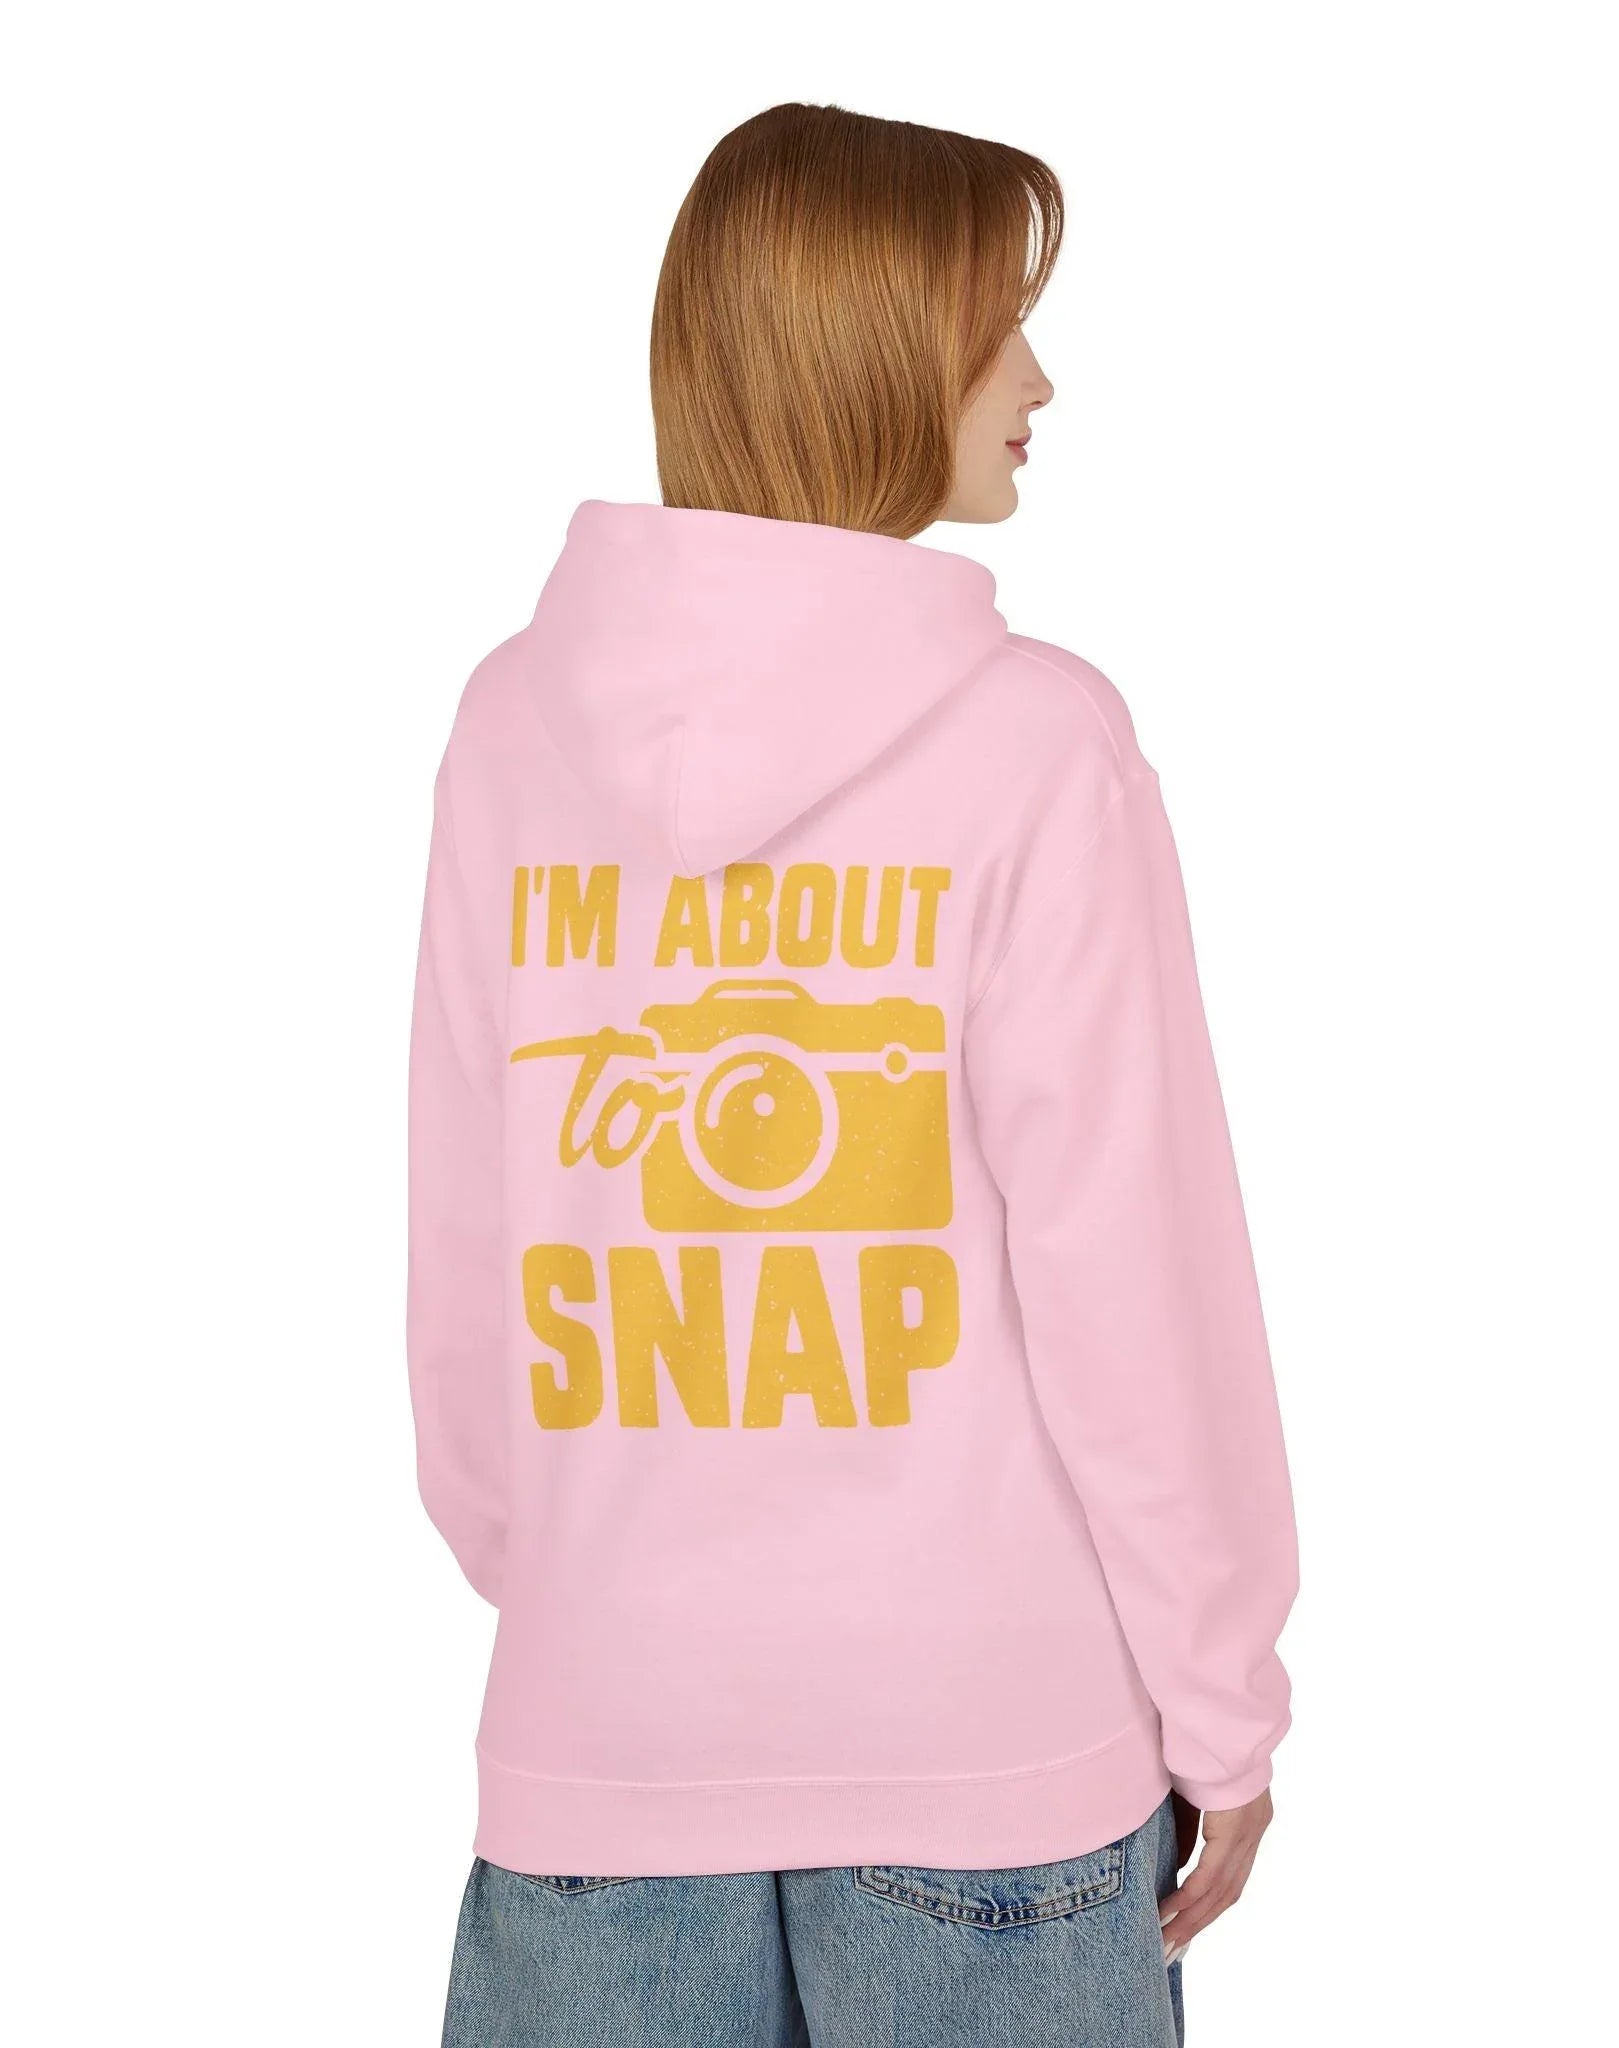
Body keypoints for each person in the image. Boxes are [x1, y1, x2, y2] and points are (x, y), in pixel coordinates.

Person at [409, 101, 1298, 2048]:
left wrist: (603, 1597)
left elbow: (467, 1252)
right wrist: (1221, 1698)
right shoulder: (1036, 744)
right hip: (989, 1751)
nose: (1038, 378)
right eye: (997, 325)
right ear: (876, 350)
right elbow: (1133, 1281)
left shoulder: (509, 723)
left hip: (602, 1737)